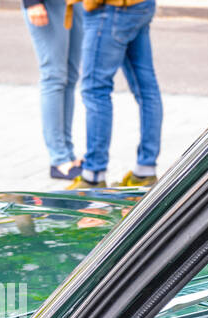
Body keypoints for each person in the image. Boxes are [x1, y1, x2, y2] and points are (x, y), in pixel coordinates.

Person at [69, 0, 163, 189]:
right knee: (146, 89)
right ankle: (145, 171)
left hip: (111, 9)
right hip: (139, 5)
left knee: (95, 89)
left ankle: (93, 175)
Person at [23, 0, 84, 181]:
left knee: (70, 77)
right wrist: (32, 2)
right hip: (47, 5)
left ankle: (68, 154)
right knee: (54, 77)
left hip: (75, 4)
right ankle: (59, 159)